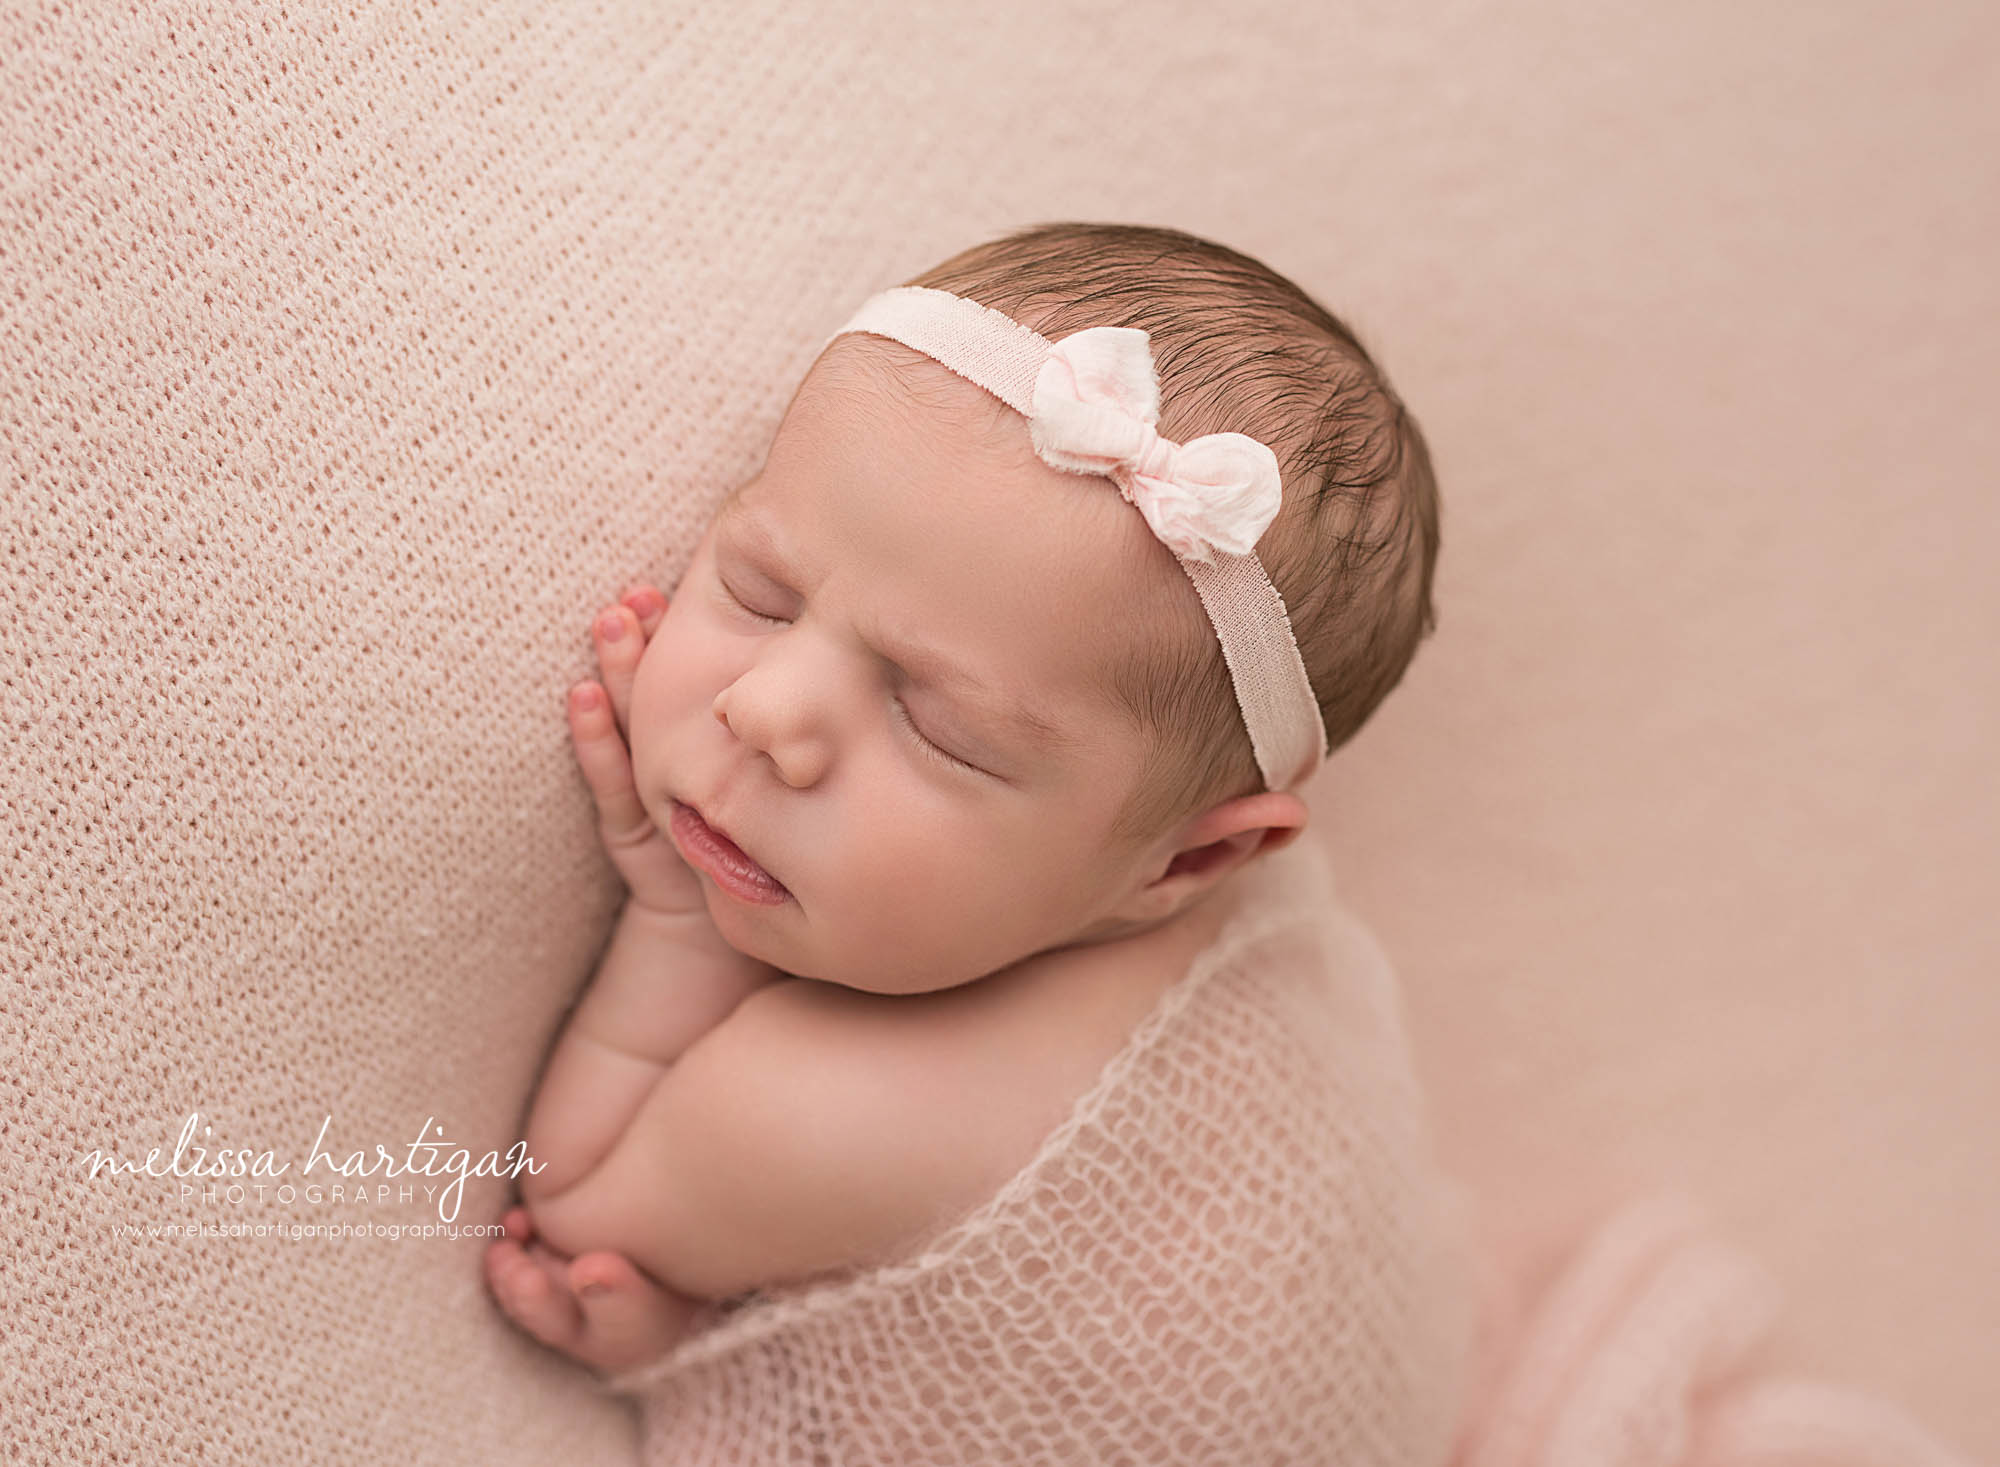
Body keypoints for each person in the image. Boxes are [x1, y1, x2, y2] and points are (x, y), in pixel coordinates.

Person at [483, 221, 1470, 1463]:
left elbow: (568, 1206)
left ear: (1188, 864)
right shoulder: (1183, 883)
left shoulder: (826, 1106)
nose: (764, 712)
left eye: (938, 728)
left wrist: (677, 923)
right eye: (758, 590)